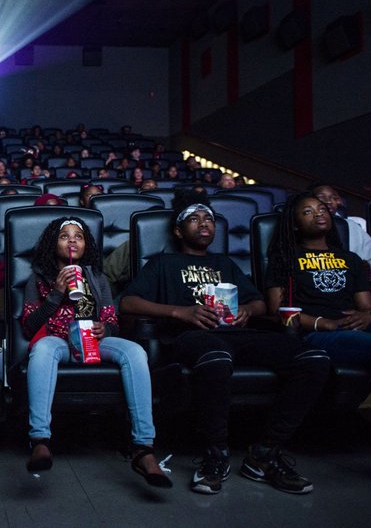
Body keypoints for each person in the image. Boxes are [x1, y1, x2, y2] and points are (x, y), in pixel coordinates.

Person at [119, 191, 330, 496]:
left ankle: (264, 454)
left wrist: (248, 310)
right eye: (194, 218)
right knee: (217, 358)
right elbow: (127, 302)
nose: (204, 223)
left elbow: (259, 303)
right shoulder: (163, 263)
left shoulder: (225, 263)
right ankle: (215, 454)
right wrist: (181, 311)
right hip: (191, 336)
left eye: (209, 218)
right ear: (178, 230)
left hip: (240, 334)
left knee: (314, 358)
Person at [266, 191, 371, 498]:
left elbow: (369, 308)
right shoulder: (285, 259)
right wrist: (325, 323)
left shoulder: (350, 260)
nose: (319, 213)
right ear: (294, 224)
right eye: (307, 212)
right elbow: (279, 312)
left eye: (322, 209)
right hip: (321, 335)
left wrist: (365, 316)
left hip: (360, 331)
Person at [21, 217, 172, 488]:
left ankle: (143, 447)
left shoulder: (97, 277)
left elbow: (112, 321)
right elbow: (29, 327)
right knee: (42, 349)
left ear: (86, 244)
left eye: (77, 236)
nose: (72, 241)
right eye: (64, 236)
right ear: (51, 244)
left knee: (135, 351)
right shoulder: (38, 278)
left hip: (93, 341)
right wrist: (56, 293)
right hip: (59, 342)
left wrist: (107, 329)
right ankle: (40, 440)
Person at [309, 183, 371, 276]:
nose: (329, 201)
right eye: (322, 197)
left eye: (334, 198)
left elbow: (370, 260)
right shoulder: (301, 226)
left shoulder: (353, 226)